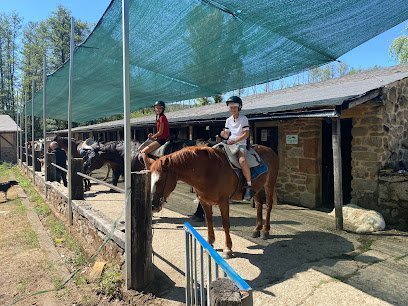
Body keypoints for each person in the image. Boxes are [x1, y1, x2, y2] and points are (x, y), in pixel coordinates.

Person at [220, 96, 253, 201]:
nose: (232, 109)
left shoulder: (244, 119)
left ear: (239, 107)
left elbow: (246, 134)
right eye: (231, 107)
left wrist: (235, 140)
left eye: (235, 107)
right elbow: (226, 135)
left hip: (240, 144)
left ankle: (249, 185)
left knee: (242, 161)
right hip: (229, 144)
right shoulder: (228, 120)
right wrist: (222, 135)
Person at [140, 100, 170, 170]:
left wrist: (152, 137)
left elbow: (160, 132)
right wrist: (153, 136)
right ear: (155, 109)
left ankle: (148, 170)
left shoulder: (162, 118)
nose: (158, 109)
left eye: (160, 108)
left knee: (143, 152)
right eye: (157, 108)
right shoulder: (159, 117)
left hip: (162, 140)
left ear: (163, 109)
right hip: (161, 138)